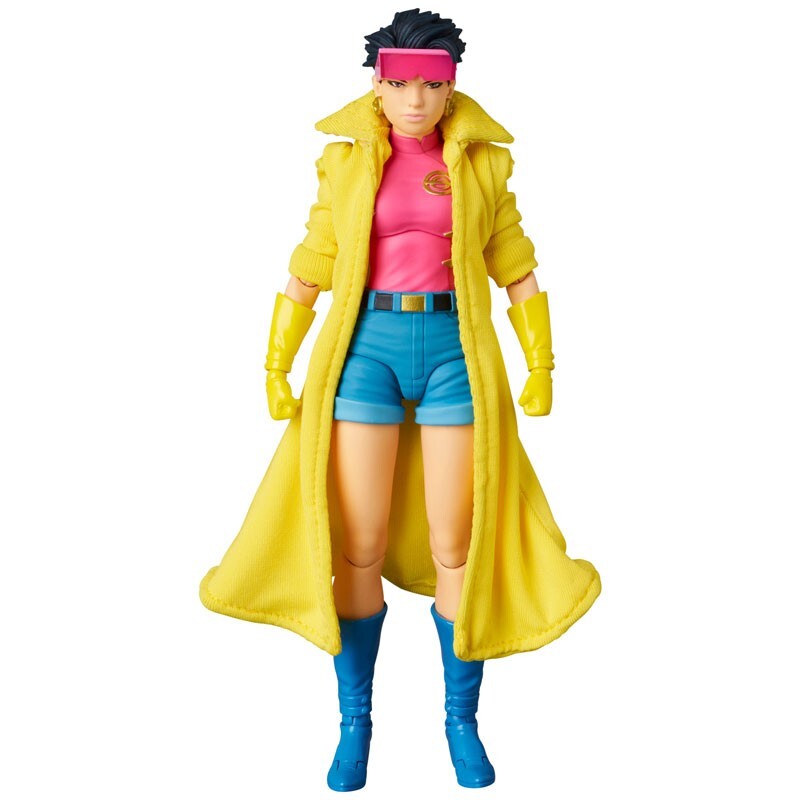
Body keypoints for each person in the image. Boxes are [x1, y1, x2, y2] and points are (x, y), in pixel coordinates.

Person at [200, 8, 601, 793]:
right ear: (377, 86)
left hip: (454, 351)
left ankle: (460, 719)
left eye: (431, 83)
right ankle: (355, 722)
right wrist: (276, 364)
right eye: (399, 81)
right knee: (359, 542)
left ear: (452, 89)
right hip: (366, 353)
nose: (415, 99)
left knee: (459, 541)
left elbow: (515, 264)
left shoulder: (481, 166)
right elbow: (312, 261)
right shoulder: (345, 163)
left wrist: (542, 364)